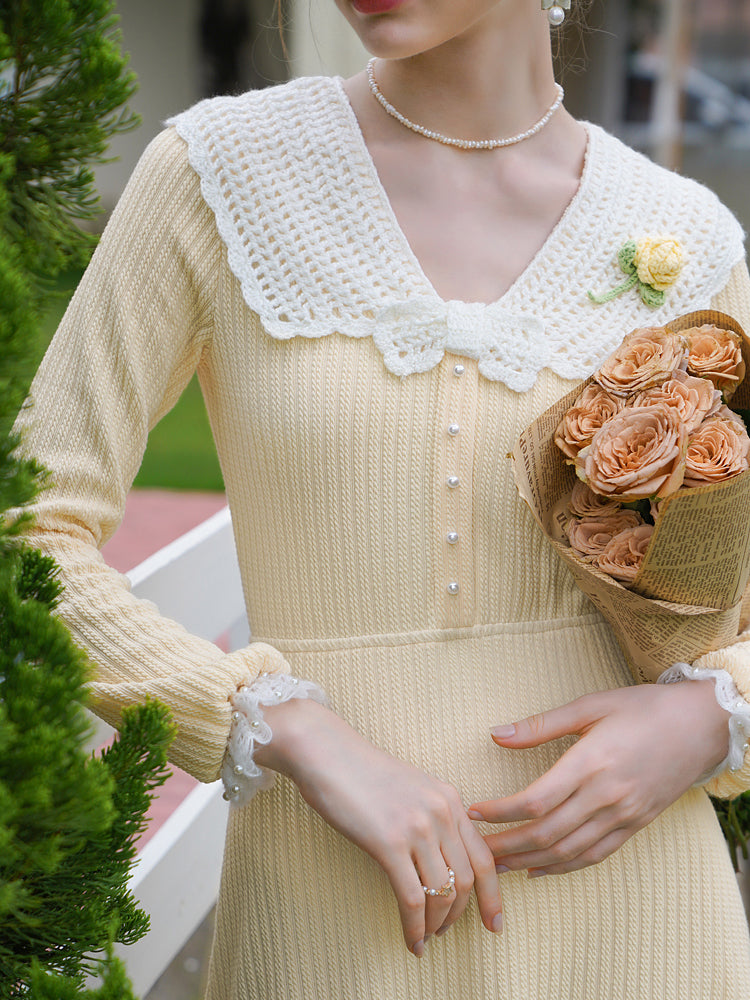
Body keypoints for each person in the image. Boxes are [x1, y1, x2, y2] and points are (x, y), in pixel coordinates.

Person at [14, 0, 750, 996]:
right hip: (328, 902)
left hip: (641, 914)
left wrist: (710, 714)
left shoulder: (687, 237)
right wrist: (275, 723)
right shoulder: (215, 175)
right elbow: (29, 532)